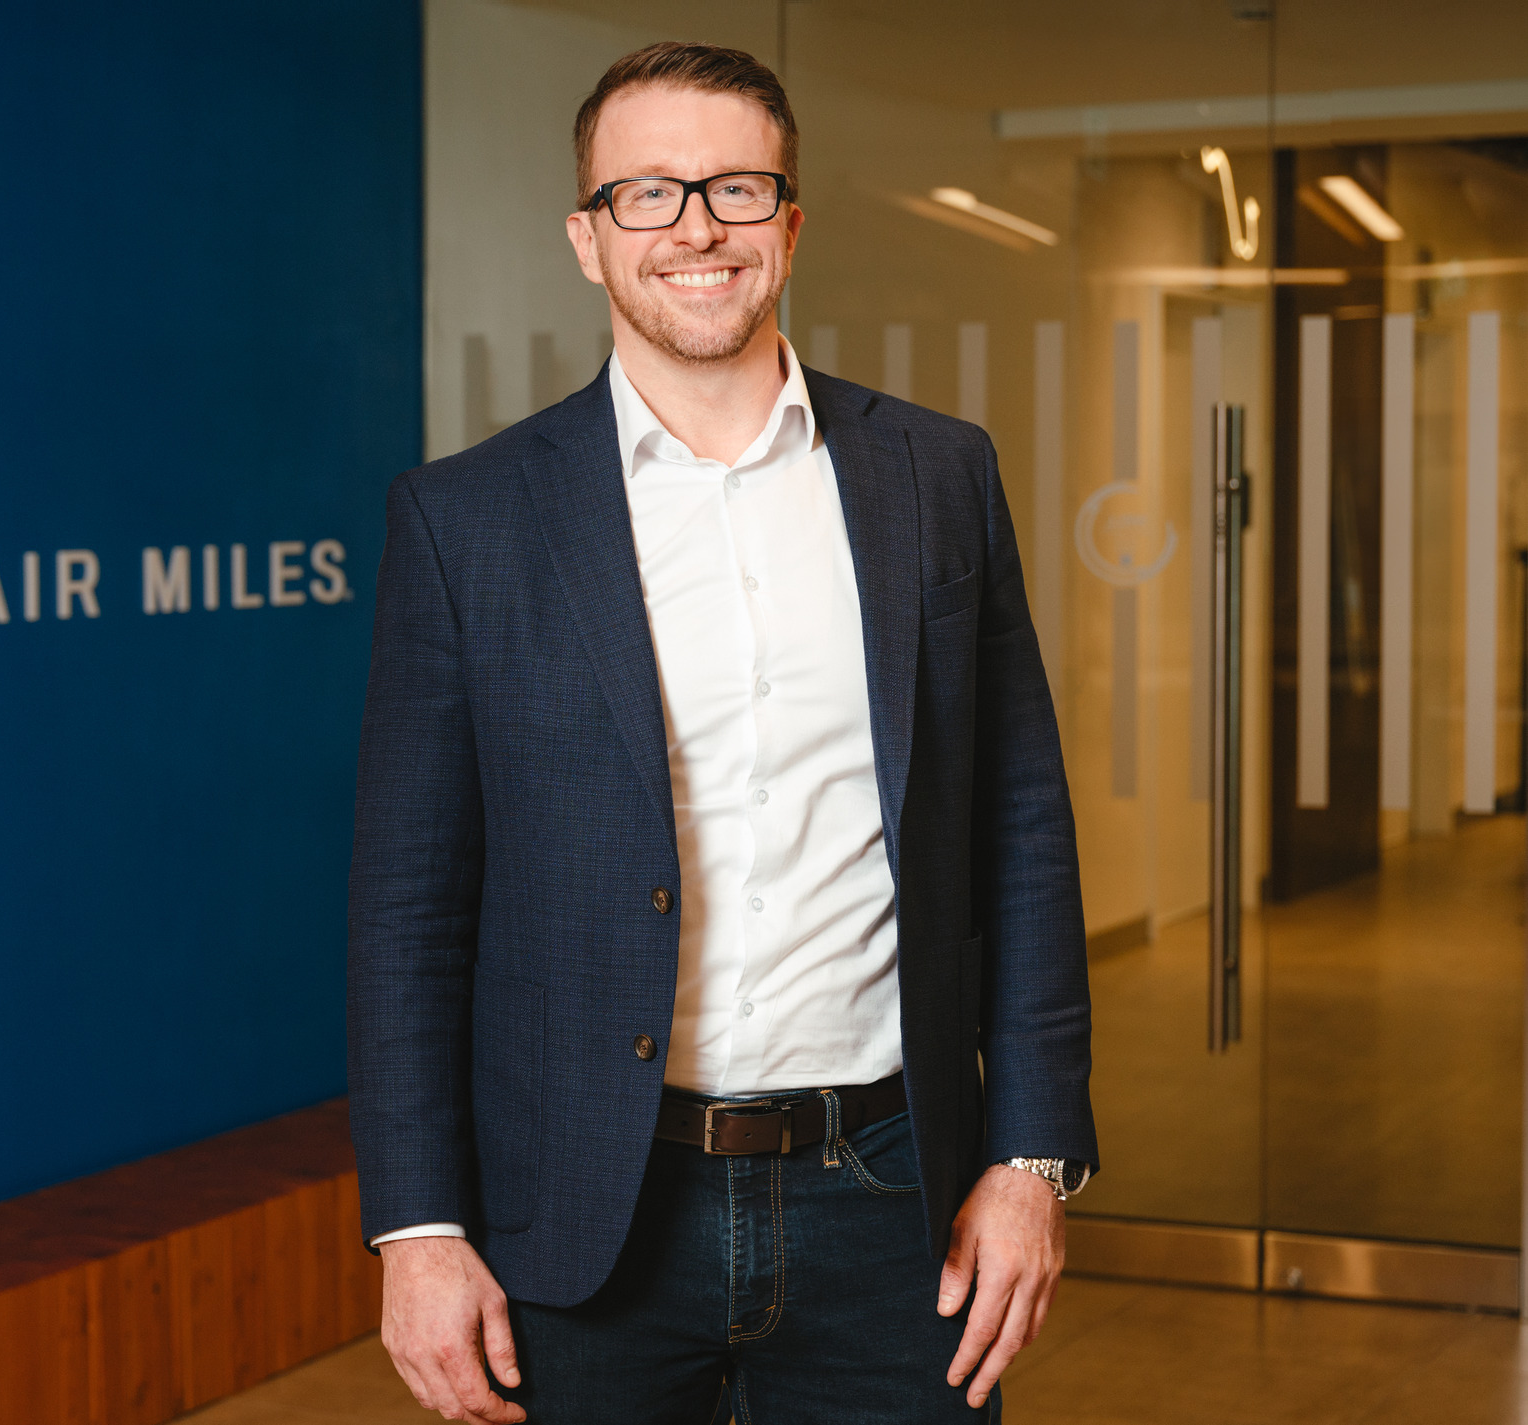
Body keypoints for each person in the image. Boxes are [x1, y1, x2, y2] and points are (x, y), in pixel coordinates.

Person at [347, 40, 1097, 1425]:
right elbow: (409, 906)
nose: (696, 225)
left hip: (892, 1202)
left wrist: (1032, 1156)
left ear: (790, 226)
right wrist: (416, 1225)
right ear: (589, 238)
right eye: (648, 192)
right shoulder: (466, 521)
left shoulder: (936, 477)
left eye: (737, 188)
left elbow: (1020, 829)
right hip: (582, 1216)